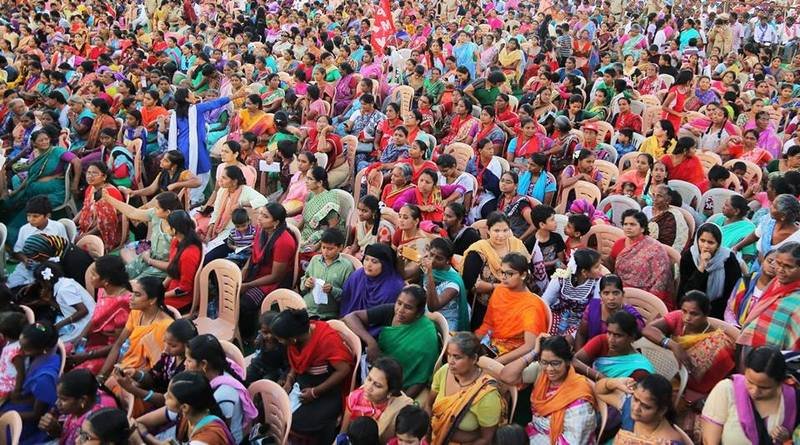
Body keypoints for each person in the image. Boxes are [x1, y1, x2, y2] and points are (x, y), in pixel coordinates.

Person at [271, 309, 354, 445]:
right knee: (275, 407)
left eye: (280, 339)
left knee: (296, 421)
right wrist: (290, 379)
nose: (279, 342)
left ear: (292, 339)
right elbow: (296, 360)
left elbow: (344, 370)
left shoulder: (326, 341)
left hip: (327, 389)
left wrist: (315, 392)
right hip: (304, 381)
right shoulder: (298, 338)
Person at [499, 335, 597, 444]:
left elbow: (574, 441)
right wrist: (534, 352)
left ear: (568, 362)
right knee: (504, 436)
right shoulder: (541, 373)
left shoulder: (579, 397)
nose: (549, 369)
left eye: (555, 363)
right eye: (544, 362)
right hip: (535, 432)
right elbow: (506, 376)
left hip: (556, 440)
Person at [344, 285, 438, 398]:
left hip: (400, 387)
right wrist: (371, 342)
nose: (400, 310)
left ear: (418, 313)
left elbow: (421, 378)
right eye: (399, 303)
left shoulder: (426, 335)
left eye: (408, 307)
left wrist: (397, 403)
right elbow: (350, 317)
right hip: (375, 369)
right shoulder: (391, 311)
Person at [0, 126, 81, 247]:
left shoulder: (57, 151)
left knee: (30, 208)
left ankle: (13, 238)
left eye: (46, 139)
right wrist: (16, 191)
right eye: (41, 140)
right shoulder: (37, 155)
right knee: (10, 202)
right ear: (34, 143)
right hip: (34, 189)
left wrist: (75, 183)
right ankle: (4, 227)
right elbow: (30, 178)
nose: (44, 142)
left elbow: (76, 161)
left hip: (54, 192)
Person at [701, 346, 800, 445]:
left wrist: (787, 438)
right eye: (750, 382)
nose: (755, 391)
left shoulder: (793, 401)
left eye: (764, 388)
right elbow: (710, 441)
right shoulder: (727, 389)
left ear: (779, 383)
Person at [96, 276, 175, 387]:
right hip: (124, 368)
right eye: (132, 293)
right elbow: (118, 344)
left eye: (137, 295)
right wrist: (101, 376)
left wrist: (130, 382)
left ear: (152, 300)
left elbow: (157, 368)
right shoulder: (137, 312)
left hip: (141, 379)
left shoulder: (165, 327)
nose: (131, 298)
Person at [427, 332, 503, 445]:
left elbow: (486, 439)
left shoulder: (486, 395)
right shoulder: (445, 371)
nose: (450, 361)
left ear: (474, 359)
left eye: (457, 357)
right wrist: (426, 434)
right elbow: (429, 405)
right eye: (449, 355)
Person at [240, 203, 298, 342]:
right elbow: (254, 254)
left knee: (245, 302)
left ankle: (247, 336)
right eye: (260, 213)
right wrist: (244, 271)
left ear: (276, 222)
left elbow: (275, 276)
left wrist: (248, 285)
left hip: (274, 281)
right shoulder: (262, 230)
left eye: (265, 216)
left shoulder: (284, 242)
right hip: (258, 271)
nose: (259, 218)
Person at [462, 212, 530, 328]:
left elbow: (527, 270)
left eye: (505, 230)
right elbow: (471, 284)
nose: (501, 235)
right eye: (496, 231)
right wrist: (498, 287)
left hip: (514, 303)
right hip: (486, 307)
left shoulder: (516, 245)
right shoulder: (479, 250)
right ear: (488, 230)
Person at [168, 88, 232, 204]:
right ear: (187, 98)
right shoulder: (196, 109)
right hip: (195, 146)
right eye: (191, 94)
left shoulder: (177, 112)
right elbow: (215, 103)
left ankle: (189, 197)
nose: (194, 95)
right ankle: (194, 198)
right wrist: (235, 96)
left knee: (188, 172)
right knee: (203, 171)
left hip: (182, 145)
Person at [69, 256, 132, 373]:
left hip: (108, 353)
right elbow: (95, 318)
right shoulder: (103, 291)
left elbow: (119, 344)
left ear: (106, 281)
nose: (90, 277)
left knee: (76, 375)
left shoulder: (124, 303)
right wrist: (81, 339)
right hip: (92, 342)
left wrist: (87, 355)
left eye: (94, 275)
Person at [135, 371, 236, 444]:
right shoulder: (187, 413)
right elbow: (137, 423)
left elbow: (137, 427)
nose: (165, 396)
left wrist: (142, 441)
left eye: (170, 396)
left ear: (184, 407)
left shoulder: (206, 439)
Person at [0, 322, 60, 444]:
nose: (19, 350)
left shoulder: (44, 379)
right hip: (17, 404)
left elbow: (37, 414)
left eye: (25, 348)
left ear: (43, 349)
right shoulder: (41, 355)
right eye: (20, 344)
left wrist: (3, 415)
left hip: (24, 421)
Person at [738, 242, 800, 353]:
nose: (780, 270)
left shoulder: (797, 299)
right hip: (752, 343)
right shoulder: (776, 282)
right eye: (778, 263)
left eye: (788, 266)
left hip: (775, 357)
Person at [339, 356, 414, 443]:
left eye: (377, 385)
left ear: (390, 392)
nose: (368, 387)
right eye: (369, 379)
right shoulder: (356, 398)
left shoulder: (401, 409)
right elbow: (343, 432)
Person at [596, 374, 687, 444]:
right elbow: (600, 392)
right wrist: (615, 382)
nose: (636, 408)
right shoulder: (628, 407)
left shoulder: (668, 441)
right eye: (635, 399)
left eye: (646, 407)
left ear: (661, 411)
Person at [36, 369, 117, 444]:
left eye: (63, 399)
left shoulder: (93, 422)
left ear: (82, 400)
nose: (57, 403)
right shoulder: (88, 395)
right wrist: (54, 426)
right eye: (58, 398)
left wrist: (56, 431)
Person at [678, 223, 742, 318]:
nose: (706, 246)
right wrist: (702, 265)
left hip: (719, 309)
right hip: (691, 307)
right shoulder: (689, 256)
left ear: (718, 245)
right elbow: (687, 291)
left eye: (711, 242)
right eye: (702, 241)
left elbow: (732, 291)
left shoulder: (728, 259)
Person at [5, 196, 68, 288]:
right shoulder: (24, 229)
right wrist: (25, 260)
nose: (30, 219)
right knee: (9, 288)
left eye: (35, 216)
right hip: (26, 269)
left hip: (49, 269)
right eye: (28, 215)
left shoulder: (58, 227)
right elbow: (17, 251)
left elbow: (64, 250)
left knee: (36, 291)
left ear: (47, 216)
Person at [574, 311, 654, 381]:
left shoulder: (640, 371)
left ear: (631, 338)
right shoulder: (602, 341)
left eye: (618, 335)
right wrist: (601, 377)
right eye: (609, 333)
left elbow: (624, 395)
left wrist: (600, 378)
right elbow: (573, 362)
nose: (611, 340)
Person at [542, 249, 603, 337]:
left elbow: (594, 310)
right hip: (558, 317)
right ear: (584, 272)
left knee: (567, 340)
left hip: (579, 323)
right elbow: (545, 302)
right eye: (597, 267)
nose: (601, 269)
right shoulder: (560, 278)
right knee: (547, 336)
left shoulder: (597, 283)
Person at [28, 262, 95, 343]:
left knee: (54, 342)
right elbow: (66, 308)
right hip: (81, 321)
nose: (41, 285)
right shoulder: (63, 282)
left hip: (87, 324)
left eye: (41, 282)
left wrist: (59, 325)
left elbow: (83, 311)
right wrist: (49, 301)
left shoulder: (64, 290)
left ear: (46, 282)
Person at [574, 274, 645, 350]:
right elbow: (581, 334)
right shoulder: (592, 308)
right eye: (606, 293)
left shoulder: (629, 314)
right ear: (600, 295)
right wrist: (579, 357)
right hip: (593, 353)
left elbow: (638, 338)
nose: (611, 298)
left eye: (616, 293)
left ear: (622, 294)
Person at [340, 243, 405, 317]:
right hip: (348, 322)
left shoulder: (393, 287)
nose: (368, 265)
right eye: (366, 259)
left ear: (385, 265)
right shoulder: (357, 277)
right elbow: (345, 302)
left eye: (374, 261)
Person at [733, 194, 800, 261]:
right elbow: (755, 235)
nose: (770, 207)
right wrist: (737, 247)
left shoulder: (796, 238)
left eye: (774, 207)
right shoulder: (768, 221)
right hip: (757, 268)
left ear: (783, 216)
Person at [422, 238, 470, 332]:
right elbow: (404, 275)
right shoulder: (432, 269)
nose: (432, 260)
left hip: (447, 322)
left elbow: (433, 307)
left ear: (448, 260)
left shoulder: (453, 283)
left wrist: (430, 274)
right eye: (431, 255)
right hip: (428, 317)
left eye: (439, 258)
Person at [74, 161, 123, 248]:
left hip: (105, 234)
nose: (90, 176)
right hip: (88, 229)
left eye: (94, 173)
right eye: (88, 173)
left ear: (104, 177)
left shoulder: (110, 194)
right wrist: (72, 222)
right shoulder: (91, 188)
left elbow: (105, 224)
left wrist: (85, 236)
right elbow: (84, 209)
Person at [18, 234, 94, 288]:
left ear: (43, 253)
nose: (38, 262)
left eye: (38, 259)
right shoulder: (61, 247)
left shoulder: (71, 262)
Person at [726, 251, 778, 328]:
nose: (772, 266)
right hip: (735, 327)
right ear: (763, 261)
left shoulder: (779, 291)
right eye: (769, 261)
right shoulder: (745, 281)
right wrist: (734, 327)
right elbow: (730, 308)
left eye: (778, 264)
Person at [300, 166, 344, 254]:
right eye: (307, 178)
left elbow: (333, 228)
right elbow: (304, 220)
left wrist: (318, 245)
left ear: (320, 183)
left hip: (322, 237)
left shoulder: (329, 200)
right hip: (306, 232)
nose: (306, 181)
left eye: (310, 179)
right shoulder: (311, 195)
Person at [707, 195, 757, 261]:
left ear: (736, 211)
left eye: (726, 205)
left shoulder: (748, 229)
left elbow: (748, 256)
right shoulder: (719, 219)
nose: (723, 207)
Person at [244, 312, 288, 386]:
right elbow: (256, 347)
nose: (269, 336)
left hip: (274, 370)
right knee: (244, 377)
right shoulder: (260, 338)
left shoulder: (282, 345)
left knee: (265, 385)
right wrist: (257, 342)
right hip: (258, 365)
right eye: (265, 332)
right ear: (261, 331)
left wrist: (283, 377)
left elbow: (288, 365)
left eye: (272, 332)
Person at [643, 184, 690, 252]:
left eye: (659, 196)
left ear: (668, 199)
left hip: (664, 253)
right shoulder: (646, 209)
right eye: (653, 195)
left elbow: (676, 242)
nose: (654, 198)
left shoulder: (674, 216)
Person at [345, 195, 393, 260]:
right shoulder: (360, 224)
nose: (360, 213)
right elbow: (356, 244)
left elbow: (381, 254)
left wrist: (363, 259)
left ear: (374, 212)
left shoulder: (383, 229)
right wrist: (349, 255)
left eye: (364, 211)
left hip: (373, 260)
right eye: (359, 210)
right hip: (360, 255)